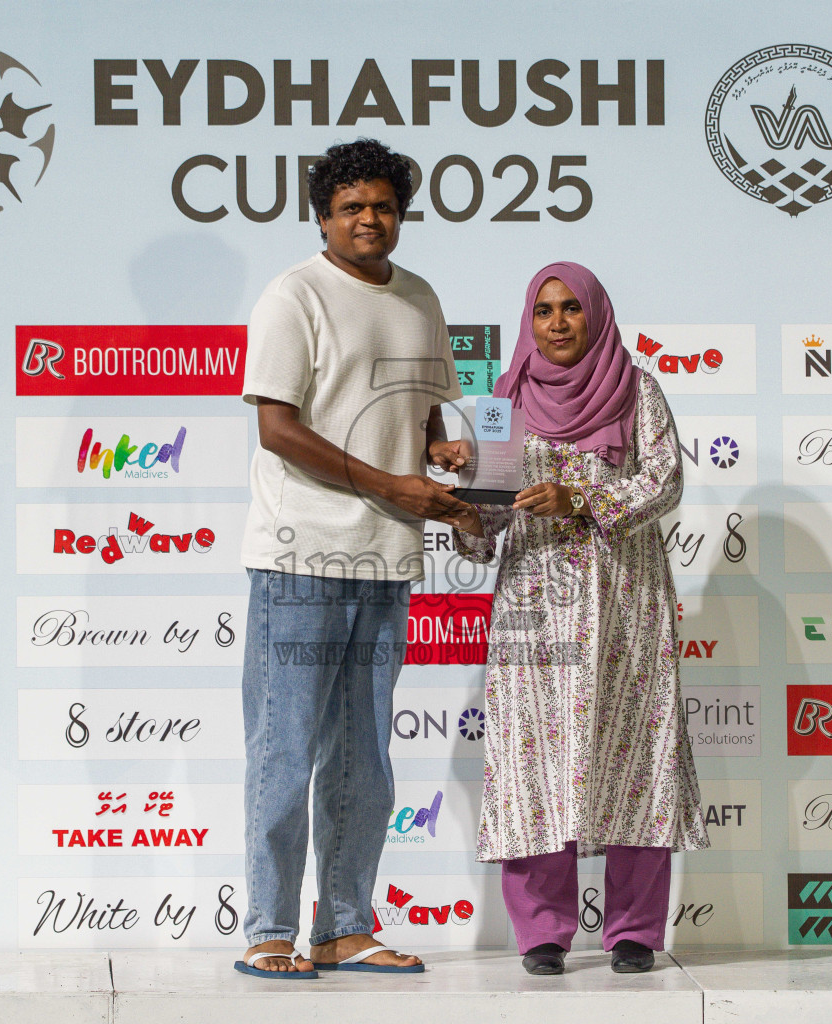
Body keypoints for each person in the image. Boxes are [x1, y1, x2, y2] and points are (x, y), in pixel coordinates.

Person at [234, 138, 472, 979]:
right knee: (285, 747)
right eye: (350, 207)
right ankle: (268, 929)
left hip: (387, 558)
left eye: (382, 205)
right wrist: (392, 485)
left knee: (364, 754)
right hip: (301, 556)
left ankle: (343, 925)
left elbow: (433, 415)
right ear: (323, 217)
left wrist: (447, 461)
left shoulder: (420, 298)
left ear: (400, 213)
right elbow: (277, 427)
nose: (368, 219)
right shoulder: (293, 295)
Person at [447, 262, 709, 975]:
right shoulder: (502, 405)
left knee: (637, 757)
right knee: (532, 764)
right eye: (543, 310)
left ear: (596, 314)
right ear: (528, 321)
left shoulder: (636, 388)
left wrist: (583, 499)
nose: (558, 323)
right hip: (536, 609)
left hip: (626, 601)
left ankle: (633, 931)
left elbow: (664, 481)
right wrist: (459, 490)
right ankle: (541, 932)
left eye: (571, 309)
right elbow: (483, 529)